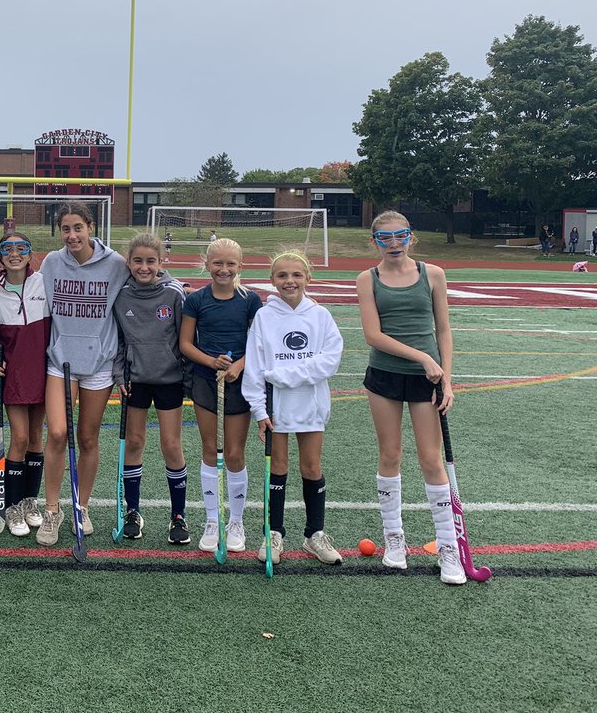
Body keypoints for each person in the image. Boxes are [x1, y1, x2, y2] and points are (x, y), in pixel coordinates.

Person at [356, 211, 464, 584]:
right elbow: (373, 335)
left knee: (431, 459)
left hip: (426, 380)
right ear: (374, 242)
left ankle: (448, 547)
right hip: (385, 375)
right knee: (390, 455)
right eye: (384, 238)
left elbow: (443, 330)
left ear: (411, 237)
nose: (393, 243)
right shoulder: (367, 279)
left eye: (400, 235)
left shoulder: (433, 274)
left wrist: (446, 379)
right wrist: (421, 357)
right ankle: (394, 538)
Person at [243, 251, 344, 566]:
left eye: (297, 275)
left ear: (308, 278)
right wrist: (259, 411)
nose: (290, 281)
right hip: (277, 408)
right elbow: (254, 368)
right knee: (278, 467)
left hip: (311, 406)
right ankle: (273, 533)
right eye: (282, 275)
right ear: (272, 280)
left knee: (312, 467)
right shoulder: (264, 317)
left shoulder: (320, 315)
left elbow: (329, 361)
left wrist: (283, 375)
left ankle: (315, 535)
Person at [37, 202, 128, 545]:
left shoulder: (115, 264)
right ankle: (52, 509)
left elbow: (146, 278)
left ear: (90, 226)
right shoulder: (51, 262)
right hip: (60, 362)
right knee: (57, 433)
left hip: (99, 364)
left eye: (78, 227)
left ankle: (81, 505)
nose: (72, 235)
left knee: (88, 438)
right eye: (66, 229)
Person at [179, 237, 262, 554]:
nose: (223, 269)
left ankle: (236, 522)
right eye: (217, 263)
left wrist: (239, 365)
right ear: (207, 264)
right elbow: (186, 344)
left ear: (240, 266)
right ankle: (212, 520)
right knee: (211, 448)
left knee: (235, 453)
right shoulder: (196, 300)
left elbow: (259, 343)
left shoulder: (250, 300)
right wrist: (211, 362)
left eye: (230, 264)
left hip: (239, 382)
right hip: (206, 380)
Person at [112, 233, 190, 543]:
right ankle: (133, 510)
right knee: (134, 442)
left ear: (160, 262)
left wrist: (186, 377)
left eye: (150, 261)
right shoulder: (121, 295)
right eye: (137, 261)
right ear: (128, 262)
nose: (144, 267)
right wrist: (120, 375)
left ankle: (178, 516)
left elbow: (186, 338)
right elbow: (118, 339)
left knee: (171, 445)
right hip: (136, 380)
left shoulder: (174, 293)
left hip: (169, 380)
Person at [0, 231, 49, 537]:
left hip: (44, 370)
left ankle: (29, 501)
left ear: (30, 253)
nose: (14, 254)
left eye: (21, 248)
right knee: (19, 438)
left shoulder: (43, 282)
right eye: (7, 249)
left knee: (36, 437)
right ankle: (12, 506)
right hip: (14, 373)